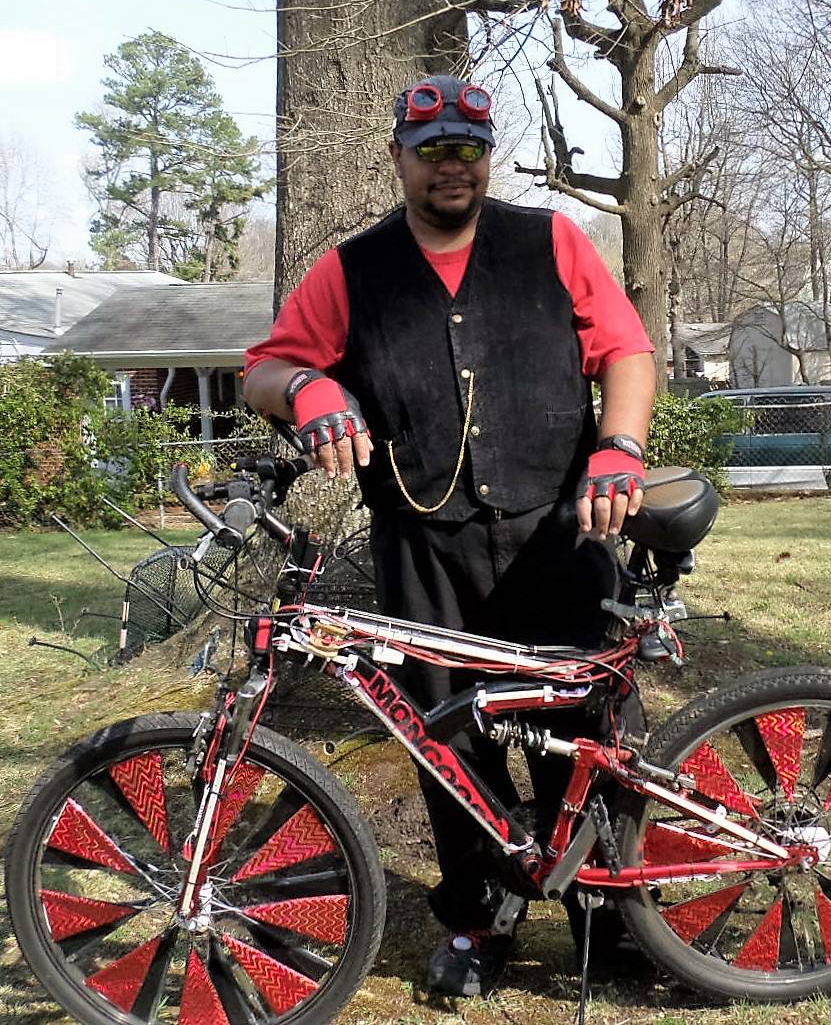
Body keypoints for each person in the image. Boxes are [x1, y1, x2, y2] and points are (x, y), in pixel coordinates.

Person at [243, 73, 656, 997]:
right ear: (398, 158)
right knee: (446, 742)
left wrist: (619, 445)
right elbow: (264, 367)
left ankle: (608, 920)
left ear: (487, 155)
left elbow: (626, 348)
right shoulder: (351, 268)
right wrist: (308, 387)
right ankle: (477, 920)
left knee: (583, 729)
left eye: (467, 148)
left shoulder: (551, 240)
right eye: (430, 150)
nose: (450, 166)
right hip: (421, 548)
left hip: (559, 531)